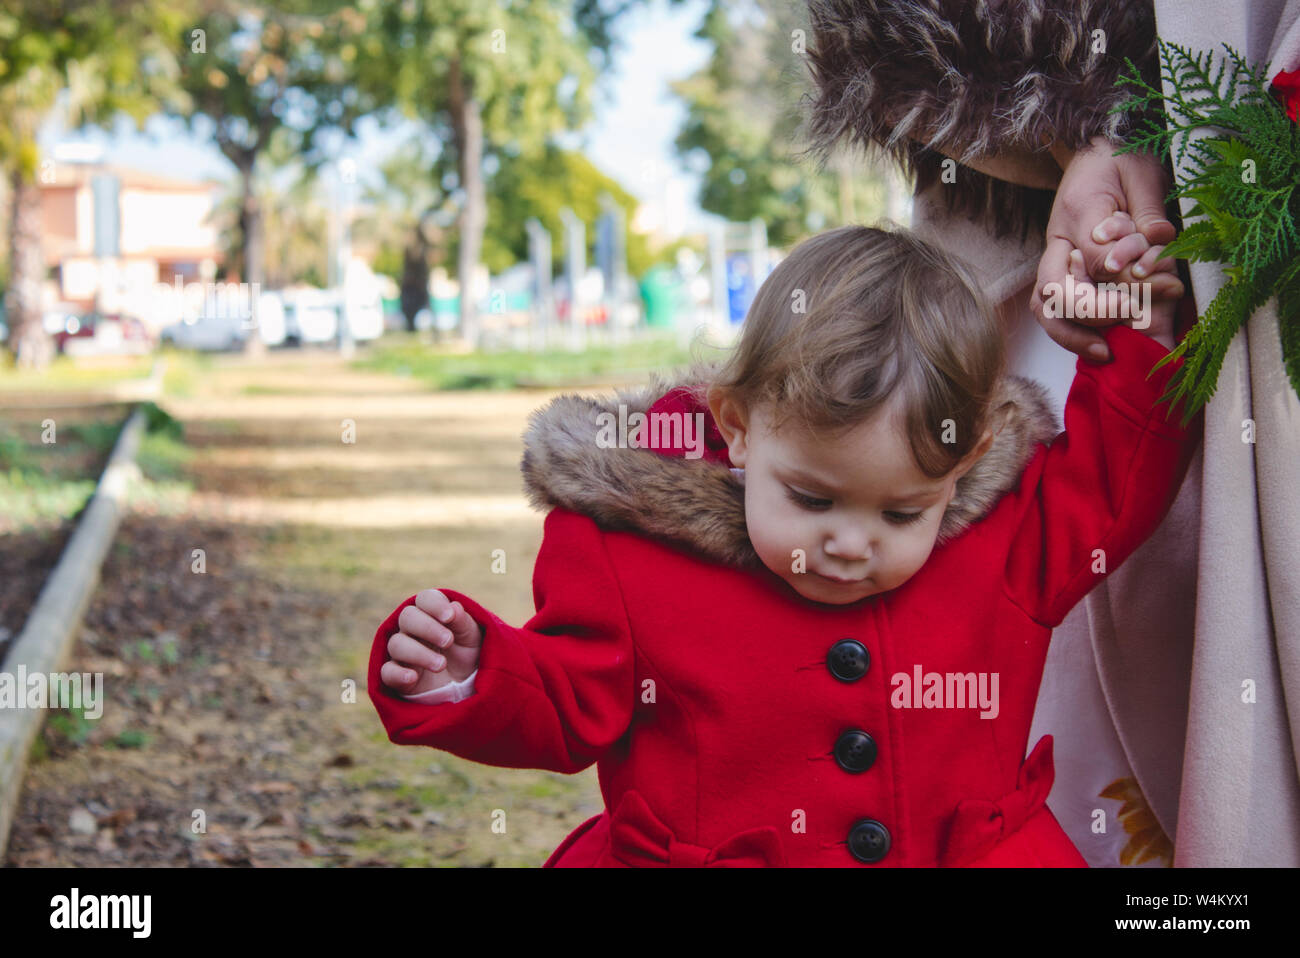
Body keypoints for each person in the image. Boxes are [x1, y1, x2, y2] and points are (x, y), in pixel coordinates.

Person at [367, 224, 1199, 866]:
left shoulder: (1003, 538)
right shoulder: (633, 554)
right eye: (811, 497)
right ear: (736, 428)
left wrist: (1136, 330)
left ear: (966, 462)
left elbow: (1113, 480)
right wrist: (472, 675)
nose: (848, 543)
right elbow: (563, 702)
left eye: (903, 513)